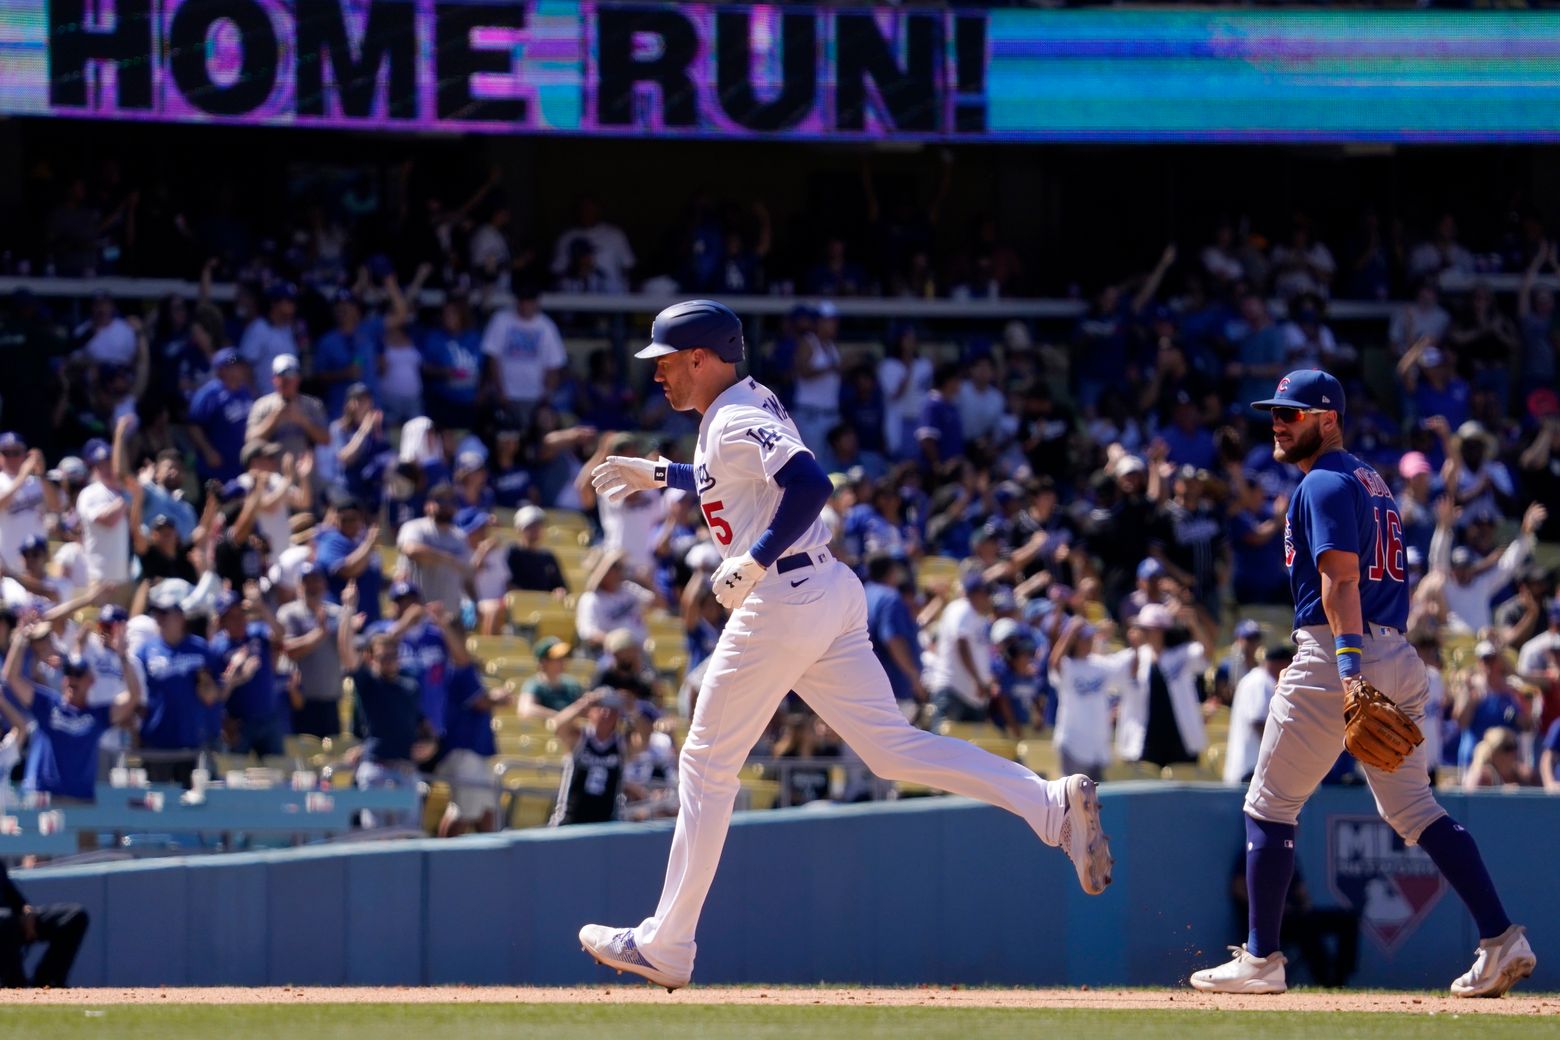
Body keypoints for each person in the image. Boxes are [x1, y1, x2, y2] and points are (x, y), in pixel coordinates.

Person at [576, 299, 1111, 990]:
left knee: (707, 764)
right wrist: (663, 474)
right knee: (890, 745)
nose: (659, 376)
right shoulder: (741, 405)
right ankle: (1049, 805)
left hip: (783, 597)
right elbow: (735, 478)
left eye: (668, 362)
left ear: (703, 359)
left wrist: (756, 558)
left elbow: (811, 484)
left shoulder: (735, 415)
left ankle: (668, 942)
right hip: (826, 590)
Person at [1192, 369, 1536, 998]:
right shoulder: (1371, 480)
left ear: (1327, 420)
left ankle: (1262, 960)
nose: (1277, 422)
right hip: (1398, 654)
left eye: (1291, 414)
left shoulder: (1322, 481)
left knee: (1268, 806)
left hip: (1337, 653)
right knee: (1414, 809)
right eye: (1275, 412)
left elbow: (1342, 580)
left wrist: (1348, 672)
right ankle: (1500, 938)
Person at [0, 628, 140, 802]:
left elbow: (133, 696)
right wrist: (21, 638)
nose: (72, 679)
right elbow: (11, 678)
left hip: (81, 801)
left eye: (78, 674)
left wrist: (123, 658)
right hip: (43, 798)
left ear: (91, 681)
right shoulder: (47, 703)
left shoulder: (98, 715)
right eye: (68, 674)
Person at [337, 581, 435, 828]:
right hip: (376, 769)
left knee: (409, 835)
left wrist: (430, 745)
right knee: (375, 835)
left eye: (394, 655)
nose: (390, 661)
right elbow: (347, 653)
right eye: (384, 657)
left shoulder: (409, 686)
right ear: (371, 658)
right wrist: (347, 610)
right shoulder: (369, 683)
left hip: (406, 769)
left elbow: (424, 727)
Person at [1048, 617, 1129, 781]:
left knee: (1097, 800)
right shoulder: (1068, 665)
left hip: (1097, 744)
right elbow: (1054, 663)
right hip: (1073, 743)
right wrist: (1069, 632)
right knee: (1073, 797)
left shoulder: (1099, 664)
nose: (1088, 641)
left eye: (1090, 638)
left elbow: (1127, 669)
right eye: (1084, 638)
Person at [277, 562, 345, 738]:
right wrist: (319, 633)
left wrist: (350, 623)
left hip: (329, 699)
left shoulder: (336, 613)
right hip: (299, 701)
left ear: (324, 583)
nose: (312, 586)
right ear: (299, 585)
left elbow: (348, 649)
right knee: (301, 759)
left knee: (332, 759)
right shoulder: (289, 613)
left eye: (316, 580)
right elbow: (289, 650)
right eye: (307, 581)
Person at [0, 859, 89, 988]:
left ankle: (47, 981)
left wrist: (27, 913)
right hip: (5, 924)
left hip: (12, 922)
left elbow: (14, 897)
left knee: (75, 916)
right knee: (6, 919)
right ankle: (12, 982)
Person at [549, 687, 627, 826]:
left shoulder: (621, 744)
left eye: (612, 709)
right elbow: (557, 725)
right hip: (571, 820)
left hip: (605, 822)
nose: (606, 712)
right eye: (601, 707)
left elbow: (644, 738)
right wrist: (584, 703)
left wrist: (632, 708)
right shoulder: (580, 737)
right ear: (590, 712)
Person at [394, 483, 471, 615]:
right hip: (417, 612)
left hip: (449, 614)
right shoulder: (415, 527)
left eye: (451, 500)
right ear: (428, 505)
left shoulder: (460, 536)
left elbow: (466, 573)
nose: (446, 504)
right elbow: (411, 550)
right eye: (440, 500)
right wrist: (446, 558)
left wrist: (474, 601)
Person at [1224, 645, 1294, 786]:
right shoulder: (1260, 682)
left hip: (1252, 768)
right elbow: (1259, 723)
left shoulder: (1258, 679)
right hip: (1251, 769)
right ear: (1281, 664)